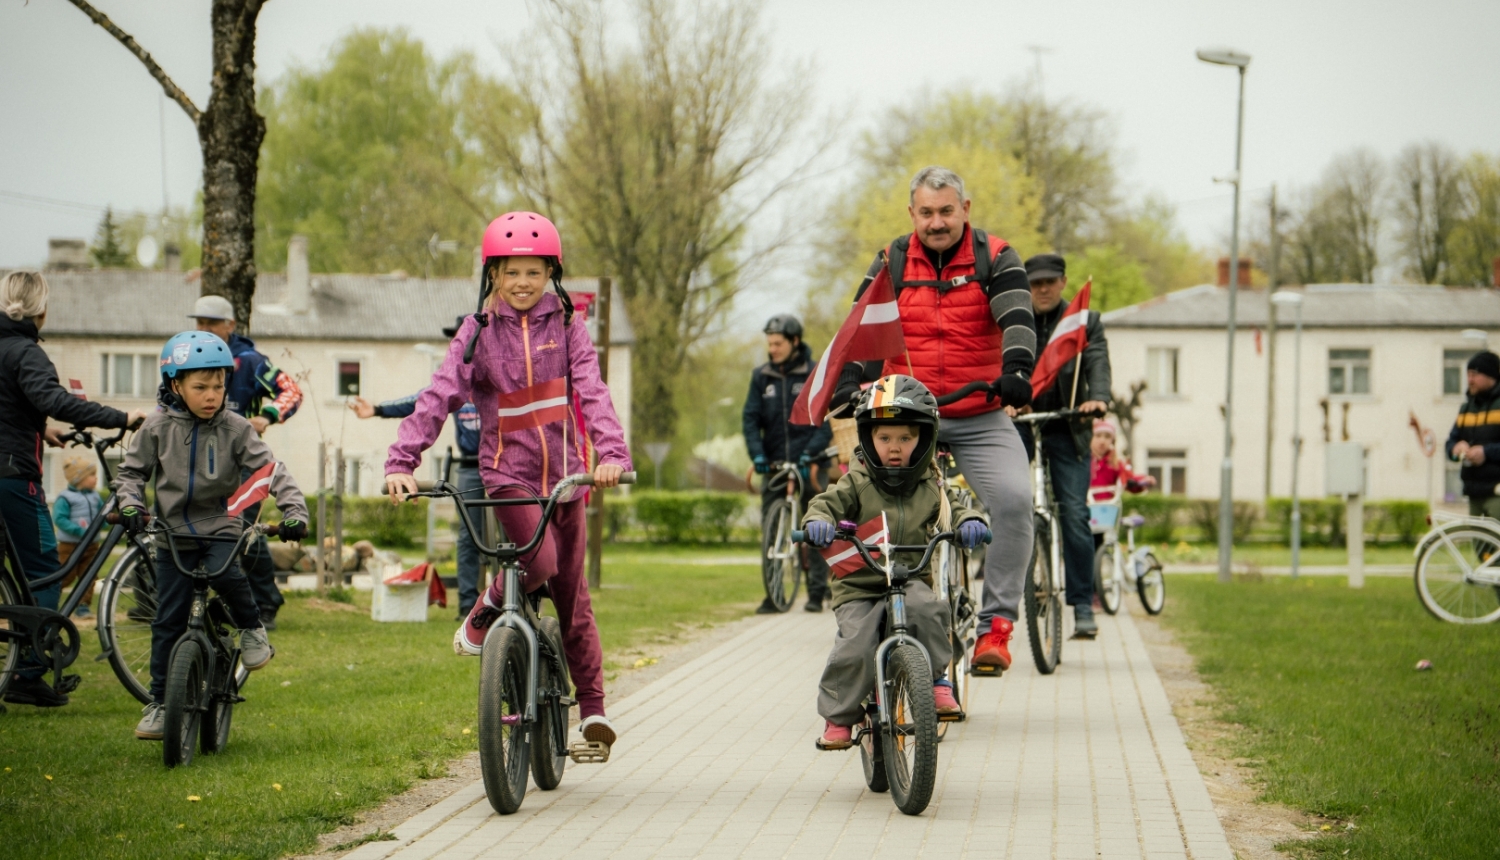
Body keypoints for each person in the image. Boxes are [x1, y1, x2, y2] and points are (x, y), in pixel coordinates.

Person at [386, 211, 632, 755]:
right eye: (511, 271)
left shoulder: (568, 326)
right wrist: (401, 460)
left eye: (534, 272)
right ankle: (487, 606)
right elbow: (437, 398)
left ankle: (592, 711)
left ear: (552, 274)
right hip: (509, 476)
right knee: (538, 563)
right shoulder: (477, 334)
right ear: (492, 274)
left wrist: (611, 454)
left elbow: (592, 392)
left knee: (573, 598)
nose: (523, 283)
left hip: (569, 479)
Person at [833, 166, 1035, 675]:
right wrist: (847, 379)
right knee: (858, 502)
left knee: (1014, 502)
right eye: (927, 212)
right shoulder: (892, 260)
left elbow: (1017, 317)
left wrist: (1015, 370)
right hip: (908, 413)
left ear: (965, 209)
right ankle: (871, 615)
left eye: (947, 211)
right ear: (912, 214)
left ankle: (996, 627)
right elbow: (862, 326)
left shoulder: (996, 256)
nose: (937, 222)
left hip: (979, 409)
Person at [113, 331, 308, 740]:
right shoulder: (156, 426)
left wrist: (294, 511)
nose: (211, 395)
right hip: (171, 534)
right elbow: (131, 473)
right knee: (167, 618)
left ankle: (252, 629)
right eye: (200, 387)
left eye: (218, 386)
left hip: (220, 529)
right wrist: (130, 504)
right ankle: (159, 703)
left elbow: (271, 472)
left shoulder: (236, 428)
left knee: (228, 577)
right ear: (175, 386)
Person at [802, 375, 990, 749]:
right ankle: (839, 716)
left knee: (931, 610)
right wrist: (818, 523)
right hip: (860, 585)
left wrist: (971, 522)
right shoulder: (856, 481)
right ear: (867, 437)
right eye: (884, 437)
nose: (894, 448)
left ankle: (937, 680)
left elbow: (959, 505)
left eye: (906, 438)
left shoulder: (931, 482)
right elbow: (824, 504)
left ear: (924, 438)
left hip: (909, 579)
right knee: (855, 643)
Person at [0, 270, 145, 708]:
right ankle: (28, 671)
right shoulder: (27, 352)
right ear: (42, 310)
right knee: (44, 565)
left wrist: (42, 430)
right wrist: (121, 418)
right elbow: (53, 398)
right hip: (10, 477)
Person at [351, 318, 483, 619]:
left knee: (511, 534)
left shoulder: (499, 375)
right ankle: (468, 606)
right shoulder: (454, 382)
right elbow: (421, 402)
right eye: (454, 340)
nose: (458, 345)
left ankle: (512, 600)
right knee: (468, 538)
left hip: (505, 465)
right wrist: (378, 410)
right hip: (469, 466)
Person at [191, 295, 303, 630]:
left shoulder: (250, 361)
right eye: (199, 322)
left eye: (211, 323)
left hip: (244, 463)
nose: (204, 329)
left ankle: (264, 604)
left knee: (241, 533)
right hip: (198, 462)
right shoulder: (188, 359)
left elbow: (292, 391)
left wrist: (267, 416)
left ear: (230, 325)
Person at [1021, 253, 1112, 639]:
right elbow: (1000, 361)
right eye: (1035, 283)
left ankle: (1081, 604)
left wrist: (1098, 399)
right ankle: (1001, 611)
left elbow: (1097, 363)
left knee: (1074, 513)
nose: (1042, 289)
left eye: (1049, 282)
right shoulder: (1015, 318)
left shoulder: (1083, 321)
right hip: (1020, 424)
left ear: (1062, 282)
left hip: (1068, 427)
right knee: (1008, 509)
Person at [743, 313, 835, 613]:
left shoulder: (812, 373)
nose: (773, 349)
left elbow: (823, 421)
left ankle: (816, 594)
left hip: (809, 463)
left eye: (778, 343)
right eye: (769, 343)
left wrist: (810, 453)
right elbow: (750, 419)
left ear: (795, 341)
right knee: (771, 530)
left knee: (816, 528)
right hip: (774, 465)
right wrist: (757, 455)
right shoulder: (761, 376)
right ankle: (772, 594)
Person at [1446, 351, 1500, 519]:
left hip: (1497, 491)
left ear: (1491, 376)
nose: (1469, 380)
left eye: (1475, 375)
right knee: (1479, 543)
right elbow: (1450, 443)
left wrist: (1486, 452)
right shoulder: (1465, 408)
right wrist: (1455, 449)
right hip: (1473, 491)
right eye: (1468, 375)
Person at [53, 456, 104, 618]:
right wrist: (78, 531)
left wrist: (105, 523)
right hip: (70, 546)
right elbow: (59, 519)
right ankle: (49, 601)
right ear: (79, 478)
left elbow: (103, 513)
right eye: (92, 475)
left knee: (89, 575)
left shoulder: (95, 496)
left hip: (92, 545)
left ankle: (83, 607)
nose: (96, 478)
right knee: (65, 575)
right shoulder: (66, 497)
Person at [1089, 419, 1154, 502]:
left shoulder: (1115, 463)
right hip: (1084, 507)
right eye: (1098, 436)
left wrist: (1142, 480)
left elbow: (1128, 479)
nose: (1102, 441)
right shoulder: (1083, 461)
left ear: (1112, 441)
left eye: (1107, 437)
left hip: (1107, 507)